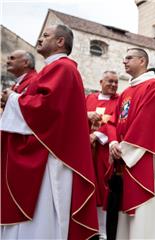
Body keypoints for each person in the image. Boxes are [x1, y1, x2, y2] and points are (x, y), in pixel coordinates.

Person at [0, 24, 98, 239]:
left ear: (60, 42)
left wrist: (13, 99)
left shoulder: (63, 67)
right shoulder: (53, 68)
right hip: (47, 150)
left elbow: (47, 109)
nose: (40, 39)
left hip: (50, 156)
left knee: (43, 214)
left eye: (46, 35)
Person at [106, 48, 155, 239]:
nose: (124, 61)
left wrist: (123, 148)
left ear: (142, 61)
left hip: (144, 159)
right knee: (128, 215)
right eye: (124, 58)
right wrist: (113, 141)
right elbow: (113, 120)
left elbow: (145, 124)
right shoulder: (127, 91)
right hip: (126, 158)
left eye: (129, 58)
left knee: (144, 213)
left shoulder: (153, 87)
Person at [86, 70, 119, 239]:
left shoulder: (119, 101)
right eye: (110, 81)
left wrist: (97, 135)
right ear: (101, 82)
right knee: (88, 186)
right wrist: (86, 116)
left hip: (105, 151)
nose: (113, 85)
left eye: (116, 82)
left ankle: (104, 230)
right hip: (86, 150)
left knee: (103, 188)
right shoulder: (90, 99)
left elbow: (116, 123)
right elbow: (76, 117)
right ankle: (89, 226)